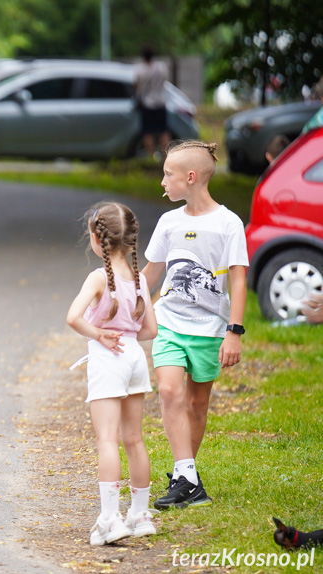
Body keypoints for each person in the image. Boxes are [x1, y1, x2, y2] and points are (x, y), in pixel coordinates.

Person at [141, 140, 248, 509]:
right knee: (170, 392)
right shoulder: (169, 222)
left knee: (197, 403)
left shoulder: (228, 224)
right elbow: (150, 274)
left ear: (190, 177)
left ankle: (185, 477)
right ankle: (187, 476)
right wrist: (121, 299)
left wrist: (234, 332)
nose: (163, 182)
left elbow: (237, 280)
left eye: (168, 175)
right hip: (169, 322)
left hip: (210, 330)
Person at [67, 201, 158, 546]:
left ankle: (109, 519)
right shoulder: (138, 280)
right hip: (134, 358)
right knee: (134, 439)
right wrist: (127, 332)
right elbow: (150, 329)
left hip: (109, 359)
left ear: (96, 237)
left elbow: (73, 317)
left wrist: (100, 333)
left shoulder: (97, 278)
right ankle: (140, 514)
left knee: (108, 440)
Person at [133, 46, 170, 159]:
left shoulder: (140, 70)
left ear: (143, 56)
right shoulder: (162, 67)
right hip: (161, 103)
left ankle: (150, 156)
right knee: (163, 131)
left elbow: (136, 86)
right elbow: (166, 81)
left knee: (148, 132)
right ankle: (166, 156)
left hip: (147, 105)